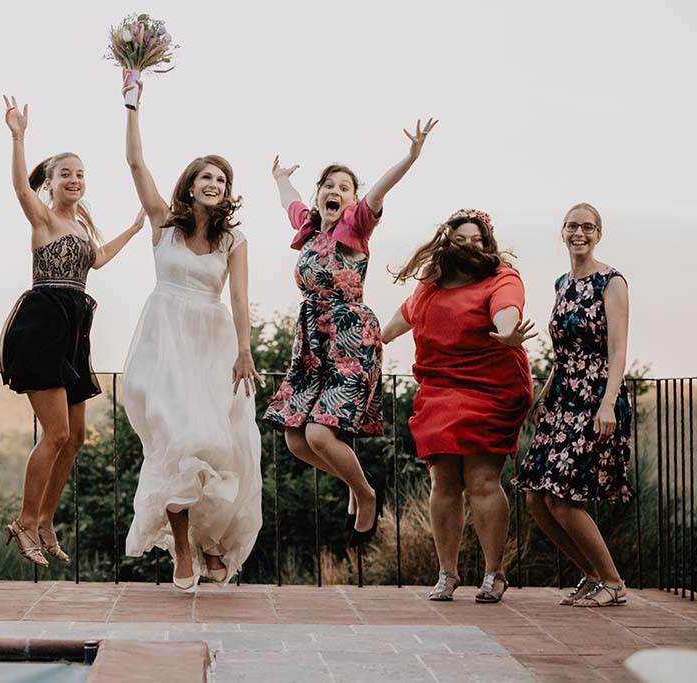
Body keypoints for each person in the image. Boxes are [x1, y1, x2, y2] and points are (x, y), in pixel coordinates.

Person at [119, 74, 263, 592]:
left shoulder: (234, 238)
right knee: (179, 441)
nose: (213, 184)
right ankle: (182, 546)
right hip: (163, 345)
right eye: (205, 176)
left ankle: (210, 544)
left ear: (226, 192)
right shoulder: (163, 222)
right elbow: (135, 163)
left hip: (212, 345)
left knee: (218, 446)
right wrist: (132, 101)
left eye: (221, 180)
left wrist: (244, 352)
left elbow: (240, 299)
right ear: (190, 183)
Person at [263, 119, 437, 546]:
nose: (335, 191)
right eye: (329, 185)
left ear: (353, 200)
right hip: (311, 342)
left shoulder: (356, 226)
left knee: (320, 434)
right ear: (319, 194)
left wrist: (410, 157)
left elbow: (380, 189)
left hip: (349, 338)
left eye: (345, 187)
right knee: (296, 440)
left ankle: (365, 492)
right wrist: (281, 180)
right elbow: (290, 203)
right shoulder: (308, 229)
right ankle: (355, 480)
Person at [0, 95, 145, 567]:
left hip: (75, 330)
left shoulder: (82, 222)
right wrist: (19, 138)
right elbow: (21, 190)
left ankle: (45, 520)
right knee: (57, 432)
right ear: (51, 182)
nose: (75, 180)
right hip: (42, 326)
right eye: (66, 174)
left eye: (80, 173)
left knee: (77, 436)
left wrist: (134, 227)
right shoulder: (42, 216)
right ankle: (23, 521)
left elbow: (97, 259)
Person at [381, 209, 535, 603]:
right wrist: (370, 341)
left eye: (478, 240)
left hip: (490, 387)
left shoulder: (501, 278)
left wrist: (507, 332)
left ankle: (493, 573)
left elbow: (506, 310)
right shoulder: (429, 287)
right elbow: (395, 324)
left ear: (489, 245)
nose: (471, 246)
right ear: (447, 243)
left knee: (482, 481)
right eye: (462, 239)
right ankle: (447, 574)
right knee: (444, 482)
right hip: (440, 388)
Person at [512, 203, 632, 607]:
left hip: (595, 396)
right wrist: (542, 397)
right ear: (562, 232)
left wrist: (608, 403)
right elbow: (564, 352)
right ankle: (591, 575)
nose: (578, 233)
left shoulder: (611, 282)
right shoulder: (562, 282)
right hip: (562, 397)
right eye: (571, 226)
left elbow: (618, 351)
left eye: (587, 227)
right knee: (535, 498)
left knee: (563, 497)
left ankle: (613, 582)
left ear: (599, 233)